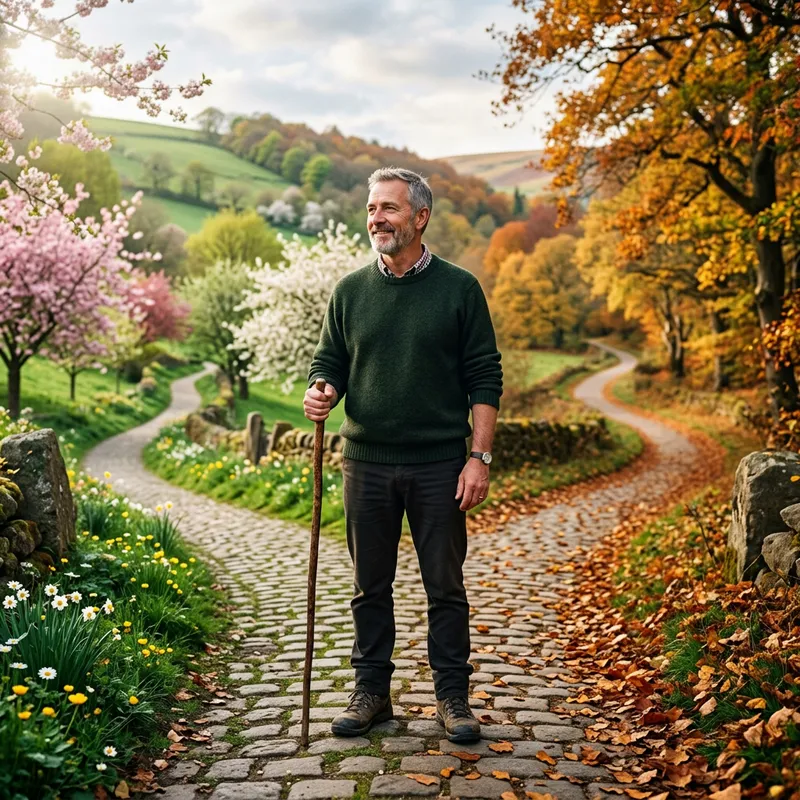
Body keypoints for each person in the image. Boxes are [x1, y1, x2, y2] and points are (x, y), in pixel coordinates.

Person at [304, 167, 503, 743]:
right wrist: (321, 390)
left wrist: (479, 458)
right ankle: (371, 692)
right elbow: (329, 362)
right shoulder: (349, 291)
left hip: (440, 463)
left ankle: (452, 697)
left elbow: (484, 376)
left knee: (445, 587)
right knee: (369, 585)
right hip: (365, 461)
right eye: (371, 209)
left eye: (388, 208)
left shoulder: (459, 288)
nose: (376, 219)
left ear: (420, 217)